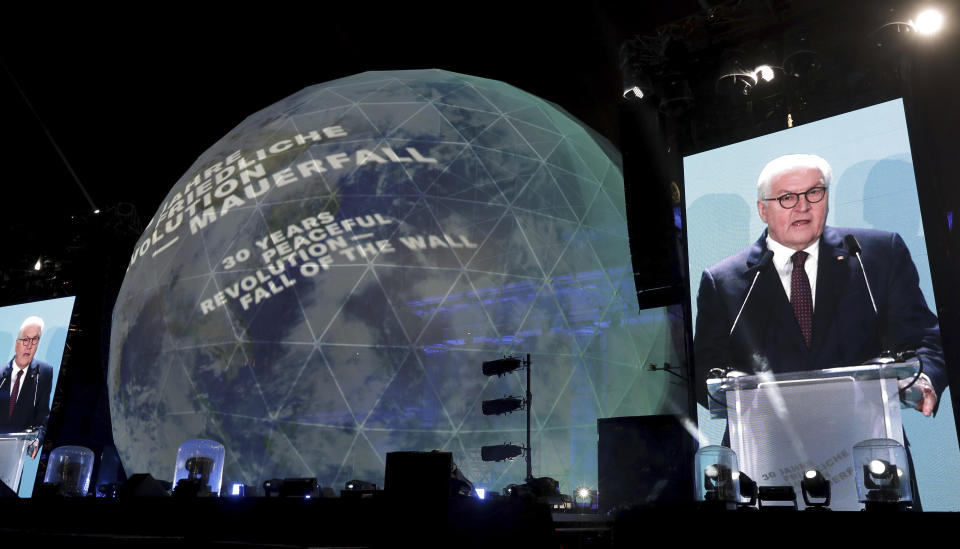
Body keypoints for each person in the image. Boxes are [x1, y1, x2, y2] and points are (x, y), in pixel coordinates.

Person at [693, 154, 945, 416]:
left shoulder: (875, 255)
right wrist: (739, 394)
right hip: (765, 443)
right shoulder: (724, 281)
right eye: (787, 197)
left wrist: (924, 380)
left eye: (814, 193)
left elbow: (925, 337)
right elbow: (705, 371)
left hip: (869, 437)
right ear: (762, 210)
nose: (802, 207)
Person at [0, 316, 53, 458]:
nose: (29, 345)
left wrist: (36, 440)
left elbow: (42, 417)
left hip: (16, 457)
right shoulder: (1, 374)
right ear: (16, 343)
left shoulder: (44, 373)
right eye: (25, 340)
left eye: (34, 340)